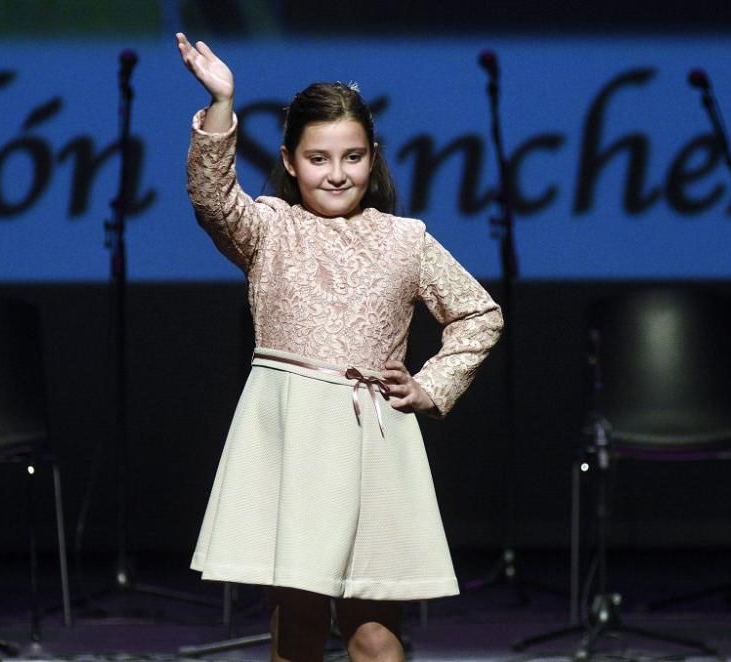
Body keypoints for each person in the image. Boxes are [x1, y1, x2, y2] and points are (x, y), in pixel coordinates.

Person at [176, 33, 503, 662]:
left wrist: (431, 385)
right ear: (291, 161)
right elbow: (212, 198)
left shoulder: (405, 240)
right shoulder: (270, 228)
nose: (336, 173)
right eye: (319, 158)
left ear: (372, 158)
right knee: (296, 626)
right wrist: (221, 102)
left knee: (375, 635)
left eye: (352, 157)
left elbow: (478, 314)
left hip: (371, 443)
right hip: (292, 435)